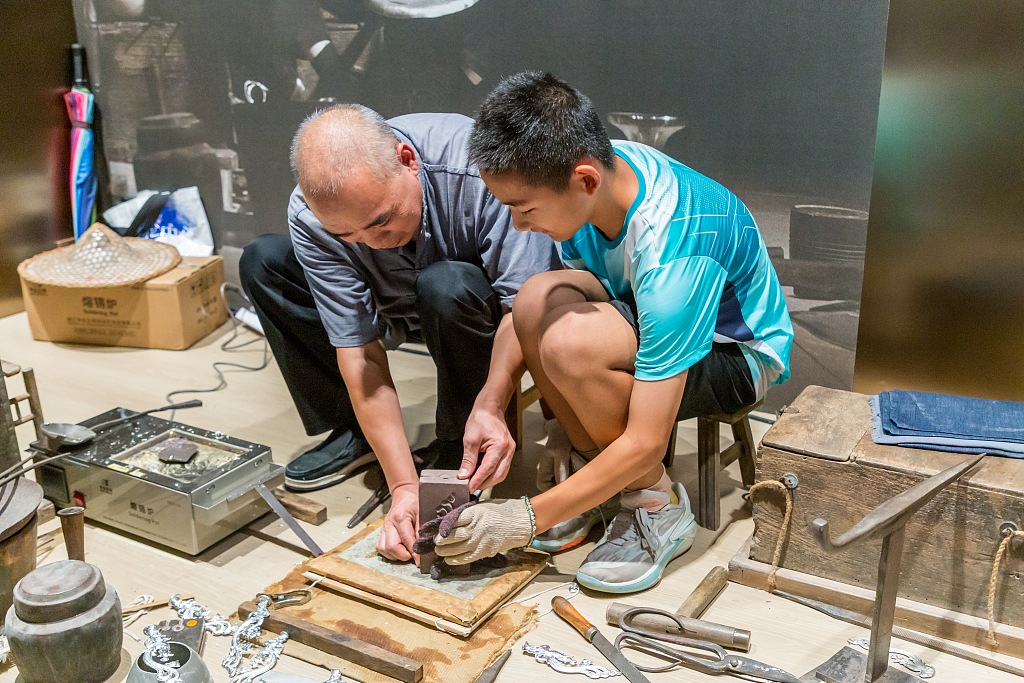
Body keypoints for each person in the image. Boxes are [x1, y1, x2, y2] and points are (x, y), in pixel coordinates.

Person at [434, 72, 794, 593]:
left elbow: (648, 442)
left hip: (736, 352)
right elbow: (522, 319)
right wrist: (491, 403)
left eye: (524, 208)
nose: (516, 225)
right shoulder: (597, 171)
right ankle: (596, 485)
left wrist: (522, 519)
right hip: (643, 313)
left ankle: (655, 506)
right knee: (536, 297)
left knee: (571, 343)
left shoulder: (675, 245)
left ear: (584, 180)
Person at [239, 104, 560, 563]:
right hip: (387, 300)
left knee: (446, 285)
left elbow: (522, 310)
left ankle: (461, 442)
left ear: (408, 160)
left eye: (380, 221)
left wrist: (491, 403)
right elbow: (360, 352)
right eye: (347, 235)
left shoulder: (480, 169)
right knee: (263, 260)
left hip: (468, 301)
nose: (371, 242)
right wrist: (403, 486)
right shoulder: (314, 216)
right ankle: (356, 432)